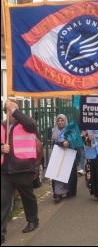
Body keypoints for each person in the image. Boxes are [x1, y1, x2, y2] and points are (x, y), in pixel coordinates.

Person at [1, 99, 39, 245]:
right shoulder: (1, 125)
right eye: (10, 109)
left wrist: (15, 110)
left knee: (27, 198)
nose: (13, 112)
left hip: (23, 169)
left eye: (15, 109)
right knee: (3, 202)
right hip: (5, 171)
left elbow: (32, 126)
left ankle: (33, 221)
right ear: (5, 112)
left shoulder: (27, 123)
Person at [51, 114, 82, 202]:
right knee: (58, 174)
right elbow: (53, 143)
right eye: (58, 121)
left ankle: (68, 190)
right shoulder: (54, 131)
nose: (60, 122)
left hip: (68, 154)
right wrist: (60, 144)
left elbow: (74, 141)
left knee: (68, 174)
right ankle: (58, 193)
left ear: (65, 121)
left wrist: (68, 141)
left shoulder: (70, 130)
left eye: (62, 120)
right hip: (58, 155)